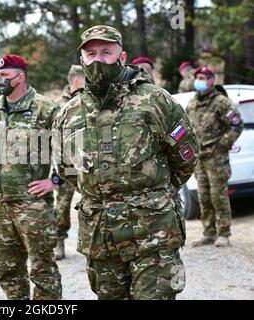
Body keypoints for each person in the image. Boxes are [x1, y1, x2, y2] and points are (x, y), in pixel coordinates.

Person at [52, 25, 199, 300]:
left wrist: (153, 194)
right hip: (100, 237)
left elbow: (185, 157)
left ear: (122, 56)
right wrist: (101, 192)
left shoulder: (154, 100)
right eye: (91, 53)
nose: (98, 59)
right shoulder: (69, 112)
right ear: (81, 59)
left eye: (106, 52)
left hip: (152, 234)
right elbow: (66, 167)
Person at [0, 54, 62, 300]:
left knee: (42, 269)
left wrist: (55, 180)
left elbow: (71, 148)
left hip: (32, 205)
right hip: (1, 206)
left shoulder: (45, 108)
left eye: (5, 75)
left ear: (20, 77)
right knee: (8, 270)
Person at [186, 66, 243, 248]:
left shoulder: (221, 102)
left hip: (216, 158)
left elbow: (236, 124)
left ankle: (224, 233)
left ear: (211, 80)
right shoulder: (192, 103)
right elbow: (186, 127)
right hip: (199, 158)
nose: (199, 81)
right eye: (198, 77)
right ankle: (208, 233)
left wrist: (223, 145)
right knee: (203, 196)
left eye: (203, 77)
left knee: (218, 195)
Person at [53, 65, 85, 260]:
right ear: (75, 81)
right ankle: (59, 242)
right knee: (63, 204)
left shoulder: (91, 98)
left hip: (88, 161)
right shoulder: (59, 104)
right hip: (66, 163)